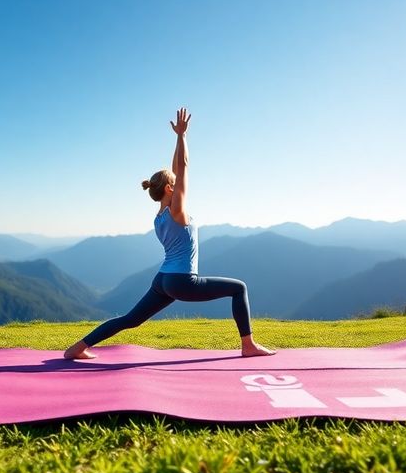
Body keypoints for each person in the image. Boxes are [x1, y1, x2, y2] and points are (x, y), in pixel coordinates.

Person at [64, 108, 276, 360]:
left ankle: (77, 347)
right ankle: (248, 345)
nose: (180, 187)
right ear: (168, 188)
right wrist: (182, 136)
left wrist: (178, 138)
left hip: (163, 280)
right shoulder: (177, 211)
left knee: (131, 319)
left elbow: (176, 168)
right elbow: (183, 167)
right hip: (182, 281)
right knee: (239, 288)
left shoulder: (160, 216)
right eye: (174, 185)